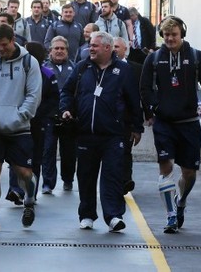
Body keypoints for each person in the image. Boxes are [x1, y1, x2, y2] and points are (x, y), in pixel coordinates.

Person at [140, 16, 201, 234]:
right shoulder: (154, 59)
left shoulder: (196, 57)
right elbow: (145, 89)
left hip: (189, 123)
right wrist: (155, 108)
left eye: (174, 34)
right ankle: (170, 215)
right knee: (165, 167)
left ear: (182, 34)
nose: (170, 39)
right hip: (164, 123)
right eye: (166, 35)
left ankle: (180, 201)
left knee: (189, 173)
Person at [60, 31, 143, 233]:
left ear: (107, 48)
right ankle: (87, 215)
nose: (91, 49)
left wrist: (136, 127)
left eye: (95, 45)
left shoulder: (123, 70)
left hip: (114, 135)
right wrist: (65, 109)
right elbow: (67, 91)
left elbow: (134, 99)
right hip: (85, 132)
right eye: (90, 45)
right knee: (86, 176)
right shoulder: (82, 68)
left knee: (112, 176)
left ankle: (113, 216)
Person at [0, 23, 42, 234]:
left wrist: (20, 116)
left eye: (3, 45)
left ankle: (29, 199)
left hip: (19, 128)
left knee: (25, 173)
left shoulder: (30, 62)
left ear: (13, 40)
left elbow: (33, 95)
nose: (0, 49)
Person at [25, 41, 60, 198]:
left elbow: (53, 98)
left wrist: (41, 114)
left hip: (40, 121)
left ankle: (33, 191)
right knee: (18, 156)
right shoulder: (21, 71)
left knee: (39, 156)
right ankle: (17, 190)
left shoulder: (47, 73)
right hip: (22, 120)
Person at [43, 36, 77, 193]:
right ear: (50, 50)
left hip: (68, 117)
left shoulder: (75, 68)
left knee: (68, 151)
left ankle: (68, 179)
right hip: (49, 115)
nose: (59, 51)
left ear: (67, 51)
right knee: (48, 149)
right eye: (56, 48)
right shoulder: (43, 68)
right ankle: (48, 183)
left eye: (62, 48)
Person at [113, 36, 144, 194]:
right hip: (109, 119)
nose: (114, 49)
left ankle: (125, 181)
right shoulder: (103, 67)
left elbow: (139, 96)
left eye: (117, 46)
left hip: (127, 119)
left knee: (125, 151)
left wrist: (138, 126)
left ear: (125, 49)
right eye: (112, 46)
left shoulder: (136, 69)